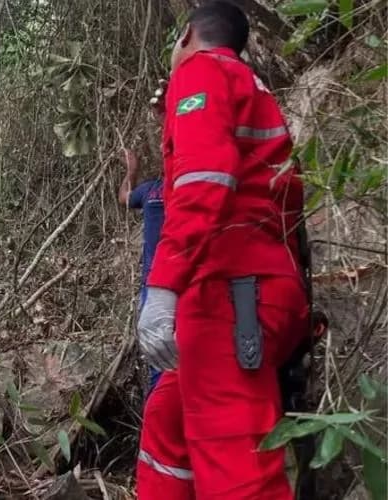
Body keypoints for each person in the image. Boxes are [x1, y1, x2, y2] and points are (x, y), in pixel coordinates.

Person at [135, 2, 308, 499]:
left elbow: (202, 182)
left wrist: (163, 287)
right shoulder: (250, 87)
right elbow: (282, 198)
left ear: (187, 36)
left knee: (237, 470)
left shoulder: (200, 71)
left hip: (231, 293)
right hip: (255, 286)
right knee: (168, 424)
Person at [117, 147, 164, 391]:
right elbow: (125, 198)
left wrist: (131, 171)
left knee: (162, 358)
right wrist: (132, 170)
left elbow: (124, 197)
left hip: (163, 282)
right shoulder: (153, 189)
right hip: (166, 283)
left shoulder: (153, 190)